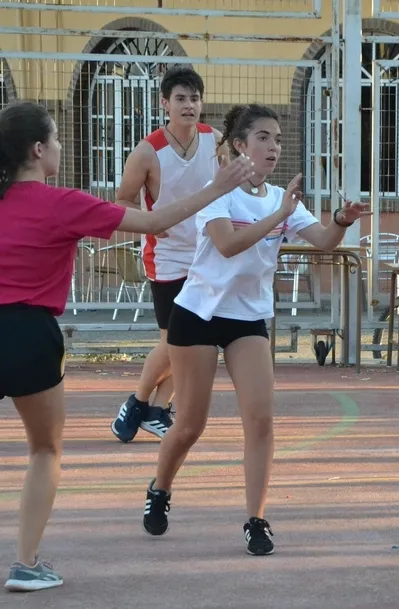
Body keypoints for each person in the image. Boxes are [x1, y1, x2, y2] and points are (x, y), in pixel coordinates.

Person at [0, 100, 254, 592]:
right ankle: (26, 563)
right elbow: (156, 223)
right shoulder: (63, 203)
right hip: (29, 334)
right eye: (53, 140)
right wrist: (216, 187)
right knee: (43, 451)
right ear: (37, 150)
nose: (58, 147)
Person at [140, 103, 368, 556]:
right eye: (263, 137)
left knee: (261, 420)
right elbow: (227, 245)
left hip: (247, 319)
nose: (273, 147)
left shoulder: (279, 199)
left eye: (278, 139)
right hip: (199, 315)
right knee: (189, 425)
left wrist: (341, 221)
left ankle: (256, 519)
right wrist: (279, 216)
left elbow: (322, 241)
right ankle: (160, 488)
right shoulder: (219, 191)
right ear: (240, 145)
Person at [110, 67, 224, 444]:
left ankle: (155, 409)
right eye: (181, 99)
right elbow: (123, 201)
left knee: (196, 342)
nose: (189, 105)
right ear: (165, 103)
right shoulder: (148, 151)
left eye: (194, 98)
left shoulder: (215, 142)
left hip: (208, 255)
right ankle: (139, 402)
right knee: (175, 340)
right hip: (167, 257)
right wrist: (148, 222)